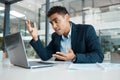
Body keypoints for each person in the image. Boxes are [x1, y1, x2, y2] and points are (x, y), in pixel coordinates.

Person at [26, 6, 104, 63]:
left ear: (66, 17)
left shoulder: (86, 30)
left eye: (56, 21)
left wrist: (74, 57)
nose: (54, 26)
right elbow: (45, 56)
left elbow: (99, 56)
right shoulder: (56, 36)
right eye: (51, 23)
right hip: (61, 74)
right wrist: (35, 38)